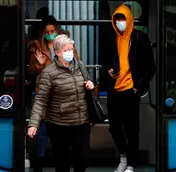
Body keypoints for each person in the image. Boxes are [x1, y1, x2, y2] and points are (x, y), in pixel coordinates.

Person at [27, 34, 94, 172]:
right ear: (57, 52)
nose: (70, 52)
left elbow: (88, 84)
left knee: (82, 159)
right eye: (65, 50)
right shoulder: (49, 73)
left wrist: (90, 85)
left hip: (81, 122)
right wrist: (34, 124)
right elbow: (40, 100)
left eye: (71, 49)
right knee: (63, 163)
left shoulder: (80, 66)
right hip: (59, 124)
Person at [105, 4, 156, 172]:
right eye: (117, 19)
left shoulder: (140, 38)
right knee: (114, 126)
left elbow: (150, 66)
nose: (120, 22)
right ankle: (123, 156)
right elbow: (107, 61)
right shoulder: (111, 38)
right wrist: (110, 72)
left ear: (129, 19)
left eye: (123, 18)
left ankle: (131, 164)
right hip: (115, 90)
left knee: (132, 129)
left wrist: (138, 87)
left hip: (131, 90)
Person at [27, 15, 79, 172]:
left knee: (62, 134)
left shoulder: (68, 46)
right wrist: (39, 65)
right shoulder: (37, 47)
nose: (50, 33)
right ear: (43, 33)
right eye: (47, 31)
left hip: (63, 94)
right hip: (44, 92)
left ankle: (62, 165)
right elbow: (30, 71)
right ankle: (39, 165)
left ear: (57, 30)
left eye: (52, 30)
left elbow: (76, 66)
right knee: (42, 132)